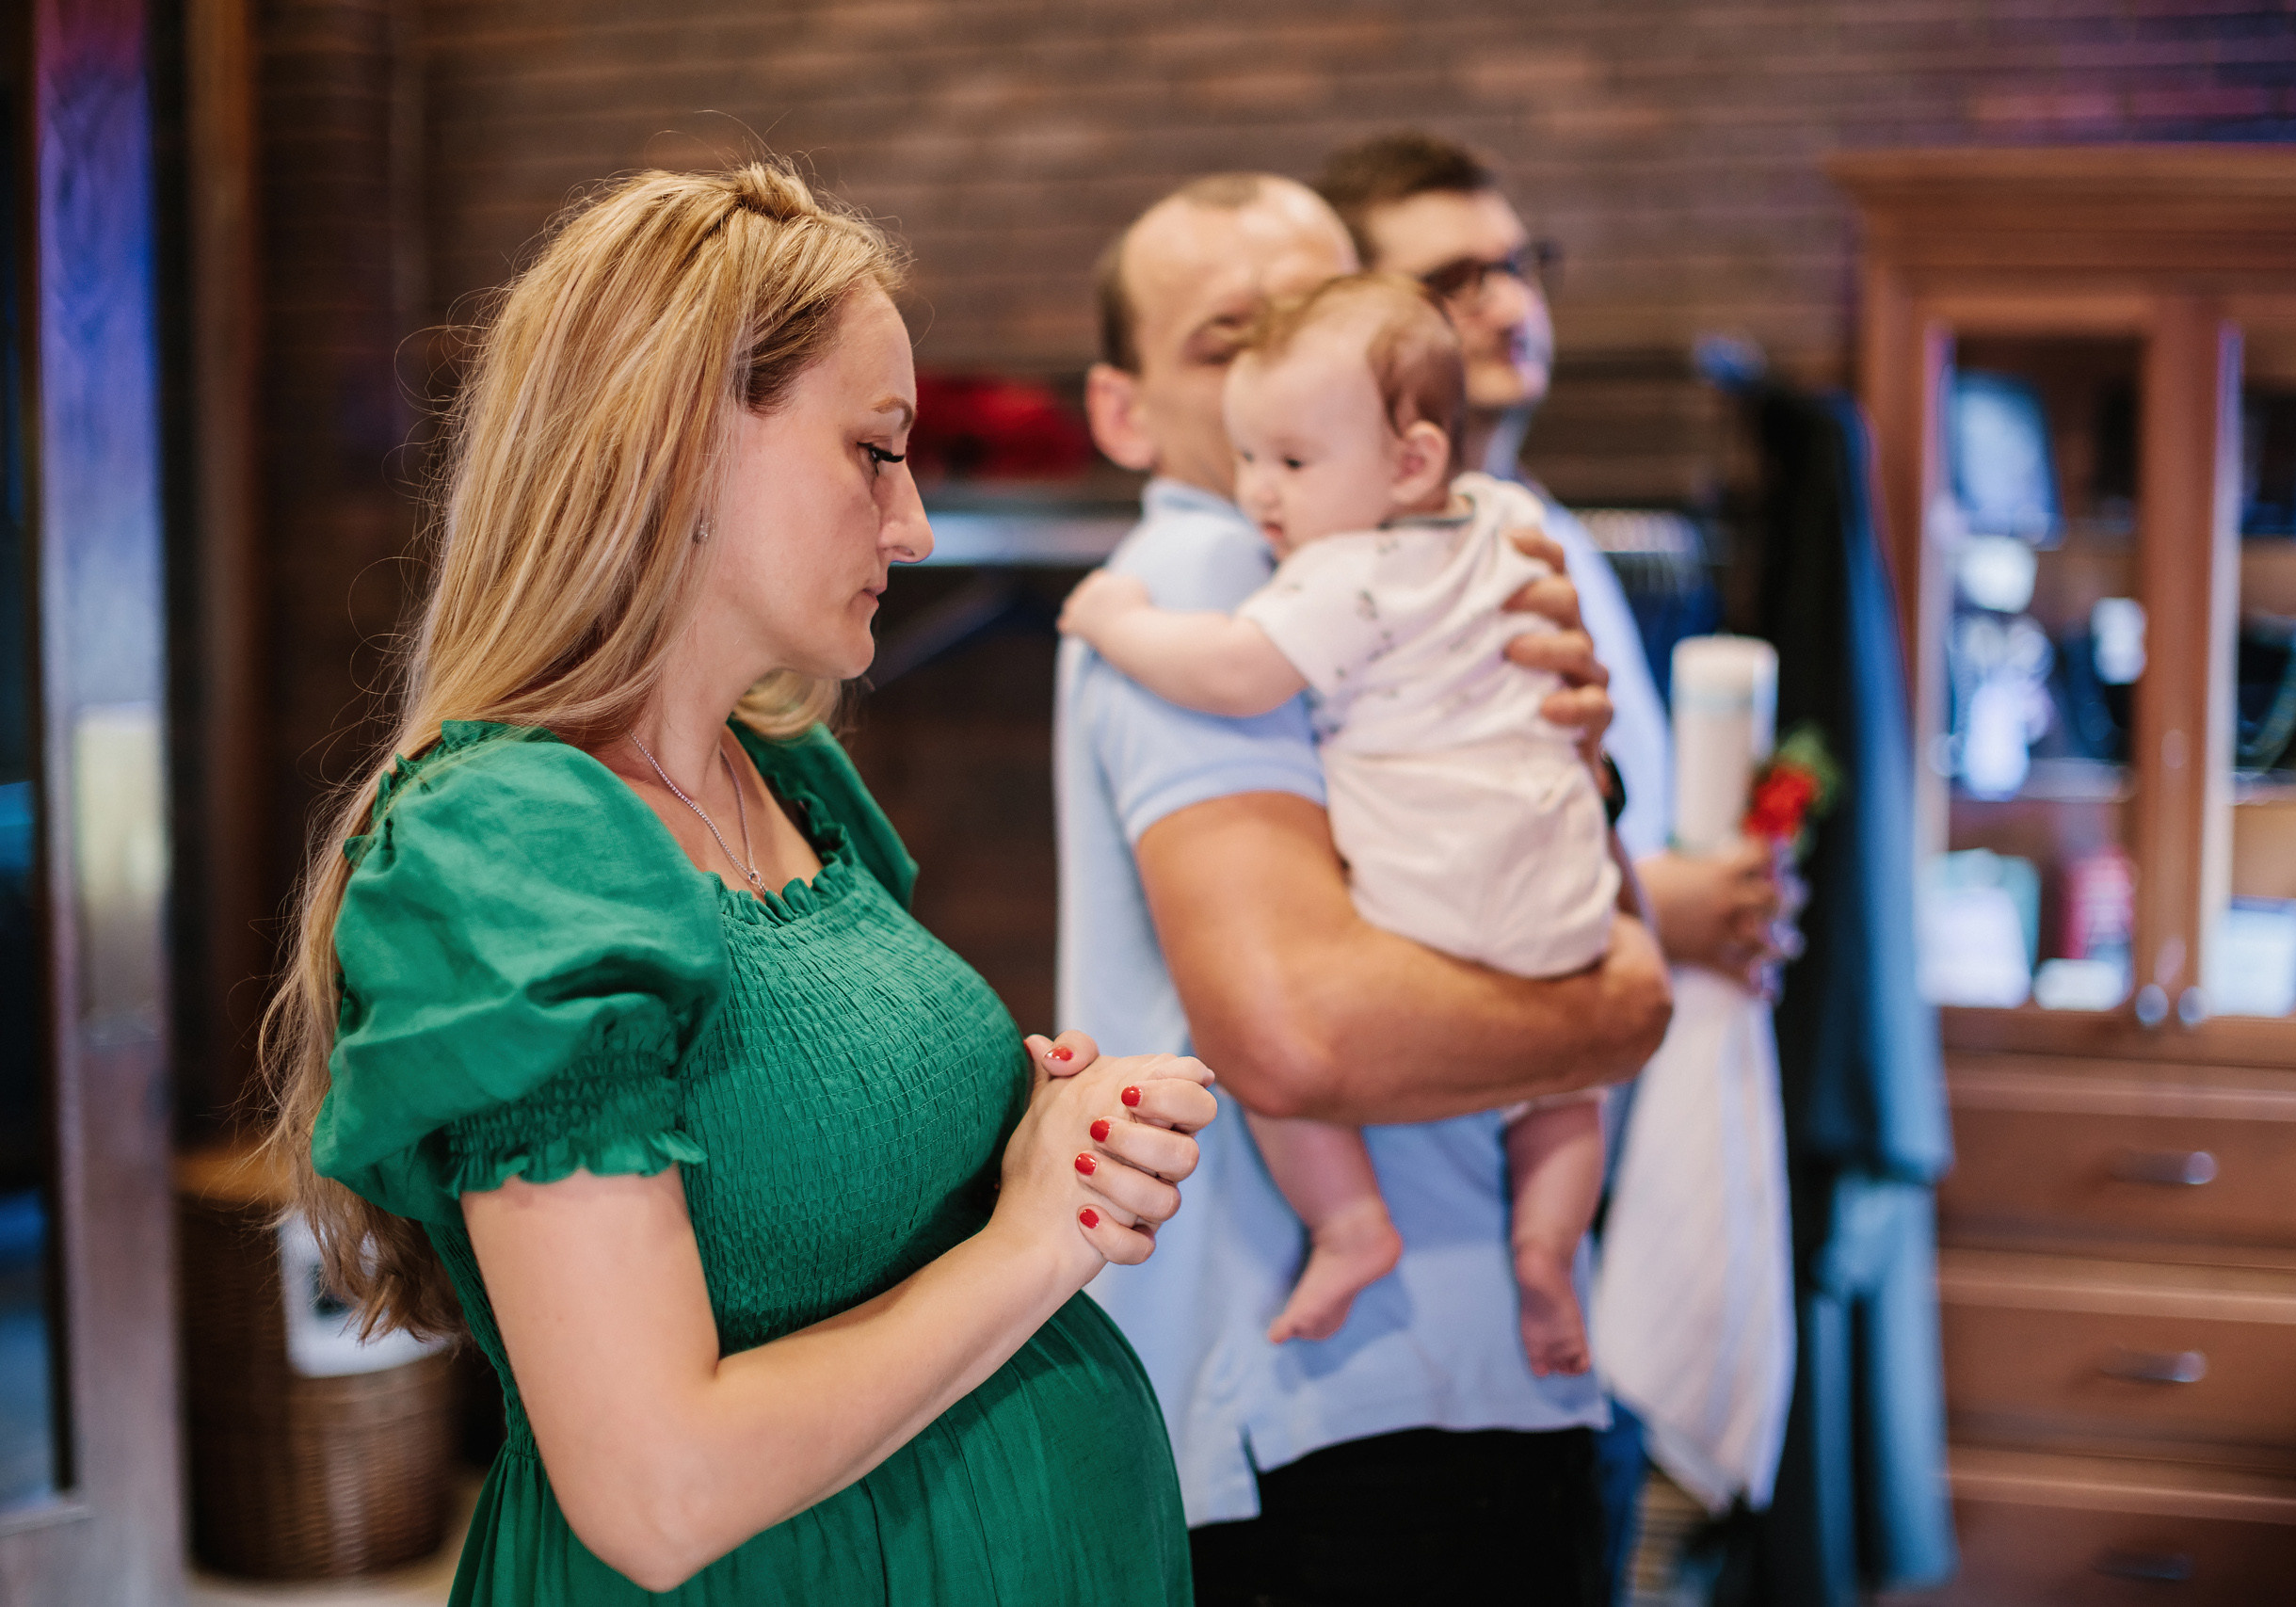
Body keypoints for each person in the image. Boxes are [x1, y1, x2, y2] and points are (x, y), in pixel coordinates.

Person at [263, 161, 1215, 1605]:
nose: (915, 526)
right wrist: (1040, 1239)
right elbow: (658, 1493)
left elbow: (816, 1149)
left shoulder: (785, 772)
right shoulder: (509, 849)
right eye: (875, 452)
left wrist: (1046, 1126)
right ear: (683, 437)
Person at [1060, 170, 1673, 1606]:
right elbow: (1300, 1036)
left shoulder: (1423, 557)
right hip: (1342, 1400)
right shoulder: (1219, 572)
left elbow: (1547, 856)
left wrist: (1588, 782)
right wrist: (1623, 999)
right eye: (1228, 343)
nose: (1279, 376)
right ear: (1126, 411)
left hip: (1439, 1384)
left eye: (1312, 323)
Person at [1314, 129, 1794, 1596]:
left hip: (1587, 1151)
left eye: (1519, 261)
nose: (1506, 299)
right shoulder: (1368, 567)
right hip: (1441, 1229)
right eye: (1451, 276)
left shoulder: (1557, 538)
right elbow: (1411, 857)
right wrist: (1669, 904)